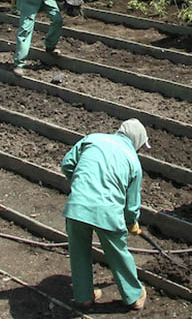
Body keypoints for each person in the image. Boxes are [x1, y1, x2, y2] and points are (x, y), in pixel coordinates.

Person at [61, 119, 150, 311]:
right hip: (107, 212)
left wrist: (82, 186)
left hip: (77, 206)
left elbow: (67, 164)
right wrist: (131, 223)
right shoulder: (133, 161)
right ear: (137, 140)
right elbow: (132, 204)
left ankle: (83, 297)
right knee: (118, 252)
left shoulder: (93, 139)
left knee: (79, 251)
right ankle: (134, 296)